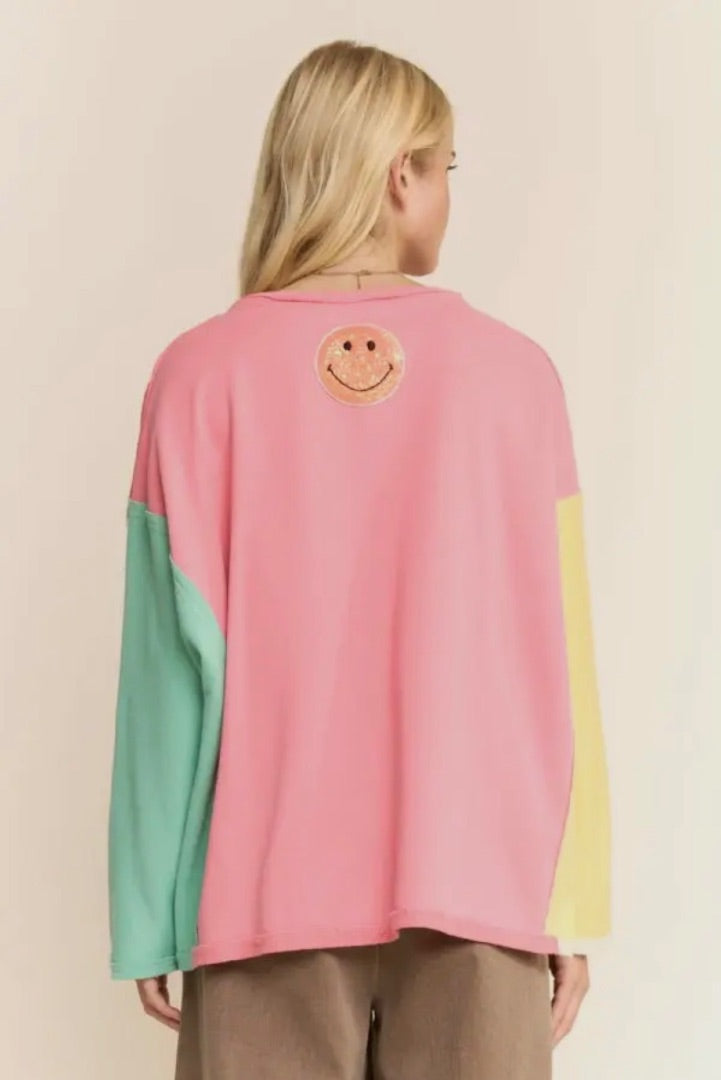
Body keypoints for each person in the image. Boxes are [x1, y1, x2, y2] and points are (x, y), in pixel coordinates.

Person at [106, 38, 612, 1079]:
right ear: (399, 176)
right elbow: (554, 658)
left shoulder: (197, 378)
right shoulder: (516, 377)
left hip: (260, 902)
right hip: (479, 894)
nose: (447, 195)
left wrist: (149, 907)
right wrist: (566, 901)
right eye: (445, 168)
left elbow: (167, 674)